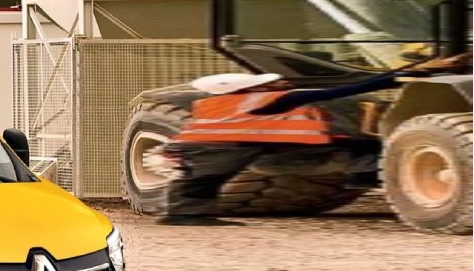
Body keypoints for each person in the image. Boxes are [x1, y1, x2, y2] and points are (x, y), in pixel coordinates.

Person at [158, 53, 470, 226]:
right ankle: (185, 216)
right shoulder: (266, 101)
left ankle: (184, 214)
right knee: (200, 181)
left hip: (203, 146)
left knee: (198, 179)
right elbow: (340, 91)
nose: (278, 84)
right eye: (268, 83)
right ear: (246, 89)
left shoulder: (215, 103)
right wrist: (404, 75)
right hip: (223, 148)